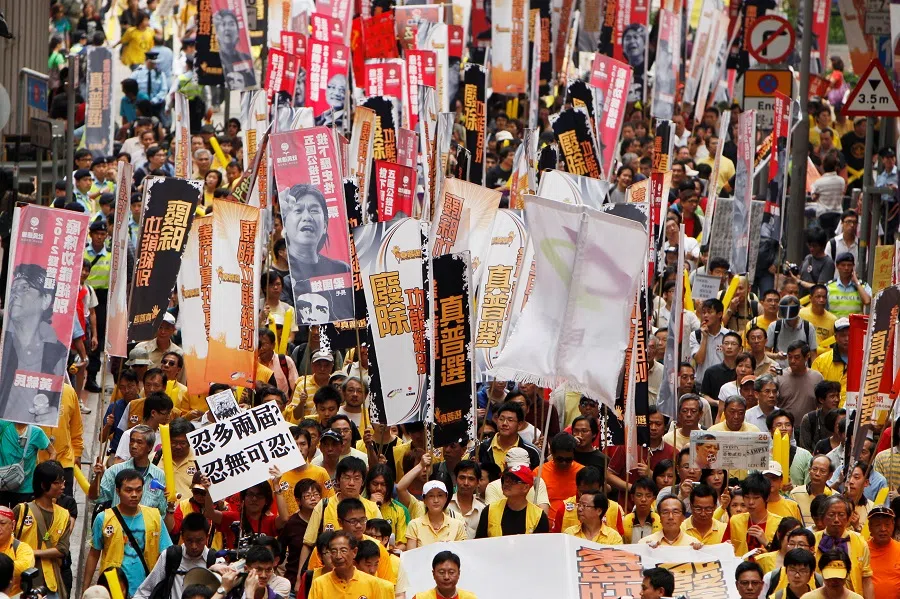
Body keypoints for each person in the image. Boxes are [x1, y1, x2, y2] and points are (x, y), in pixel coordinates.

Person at [84, 469, 173, 595]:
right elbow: (94, 554)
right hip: (113, 586)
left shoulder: (154, 517)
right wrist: (85, 589)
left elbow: (165, 552)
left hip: (146, 588)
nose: (134, 494)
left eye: (139, 489)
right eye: (128, 490)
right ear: (118, 491)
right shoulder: (103, 518)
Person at [0, 265, 69, 422]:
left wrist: (56, 412)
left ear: (45, 300)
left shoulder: (58, 353)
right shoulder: (3, 342)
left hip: (32, 440)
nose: (15, 294)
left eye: (25, 288)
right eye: (13, 289)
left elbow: (65, 400)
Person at [281, 184, 352, 321]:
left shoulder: (341, 269)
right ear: (285, 223)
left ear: (325, 225)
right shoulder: (281, 274)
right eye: (298, 210)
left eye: (314, 210)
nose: (307, 217)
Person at [11, 461, 71, 599]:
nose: (62, 486)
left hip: (50, 581)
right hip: (21, 580)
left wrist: (31, 553)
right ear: (44, 485)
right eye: (57, 483)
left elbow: (62, 549)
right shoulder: (22, 510)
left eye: (63, 482)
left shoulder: (64, 515)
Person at [132, 513, 217, 599]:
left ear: (207, 537)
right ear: (182, 536)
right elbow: (145, 591)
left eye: (199, 541)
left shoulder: (215, 561)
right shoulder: (170, 556)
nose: (194, 546)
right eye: (189, 541)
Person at [814, 496, 873, 597]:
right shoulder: (812, 540)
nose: (836, 520)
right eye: (831, 515)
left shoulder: (860, 541)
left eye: (841, 515)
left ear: (848, 517)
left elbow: (866, 579)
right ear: (823, 518)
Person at [474, 465, 550, 537]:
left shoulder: (538, 516)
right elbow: (480, 542)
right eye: (505, 480)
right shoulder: (490, 510)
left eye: (513, 481)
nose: (506, 484)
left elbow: (540, 547)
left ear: (526, 488)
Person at [729, 472, 784, 557]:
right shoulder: (735, 521)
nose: (751, 502)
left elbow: (783, 555)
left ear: (767, 497)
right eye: (747, 497)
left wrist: (766, 543)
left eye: (756, 498)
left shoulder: (779, 523)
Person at [405, 480, 467, 548]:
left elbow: (462, 553)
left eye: (440, 495)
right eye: (431, 496)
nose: (436, 500)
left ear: (446, 498)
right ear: (424, 500)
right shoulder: (414, 525)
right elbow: (411, 555)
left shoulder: (458, 525)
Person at [211, 9, 256, 89]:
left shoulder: (247, 59)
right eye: (223, 24)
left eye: (231, 24)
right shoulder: (212, 60)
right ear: (217, 32)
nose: (227, 28)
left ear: (238, 32)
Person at [690, 298, 731, 383]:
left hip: (724, 383)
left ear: (719, 314)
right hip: (702, 384)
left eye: (709, 312)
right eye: (704, 312)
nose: (705, 315)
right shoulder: (696, 335)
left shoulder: (729, 336)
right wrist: (704, 337)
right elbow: (699, 360)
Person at [790, 454, 834, 527]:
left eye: (822, 471)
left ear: (830, 475)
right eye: (814, 469)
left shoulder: (835, 497)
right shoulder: (795, 494)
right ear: (809, 471)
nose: (817, 474)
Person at [799, 380, 843, 452]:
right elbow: (805, 448)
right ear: (821, 400)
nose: (836, 400)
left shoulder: (843, 416)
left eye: (838, 396)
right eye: (832, 396)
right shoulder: (810, 419)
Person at [413, 551, 477, 599]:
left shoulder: (470, 597)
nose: (446, 577)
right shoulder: (420, 598)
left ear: (458, 573)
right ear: (433, 574)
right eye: (441, 572)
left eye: (451, 572)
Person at [826, 252, 872, 318]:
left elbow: (867, 301)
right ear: (837, 266)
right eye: (843, 265)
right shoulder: (829, 286)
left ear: (853, 266)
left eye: (849, 265)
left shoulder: (862, 285)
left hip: (856, 327)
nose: (846, 268)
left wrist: (856, 282)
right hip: (835, 326)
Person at [867, 506, 900, 596]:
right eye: (878, 525)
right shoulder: (862, 549)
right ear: (870, 528)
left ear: (893, 526)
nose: (883, 529)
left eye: (887, 524)